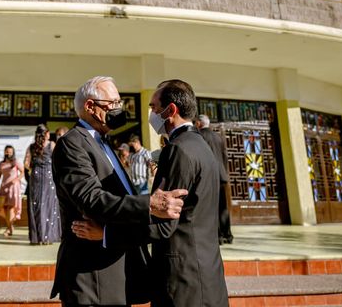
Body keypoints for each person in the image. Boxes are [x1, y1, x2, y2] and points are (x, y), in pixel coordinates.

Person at [74, 79, 228, 306]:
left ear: (171, 110)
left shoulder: (178, 150)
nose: (152, 113)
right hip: (207, 270)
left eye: (155, 107)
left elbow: (163, 222)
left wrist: (106, 234)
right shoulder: (200, 145)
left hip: (183, 278)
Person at [52, 76, 187, 306]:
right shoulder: (72, 144)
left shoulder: (103, 142)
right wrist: (149, 204)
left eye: (119, 102)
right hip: (91, 277)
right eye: (112, 104)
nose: (118, 109)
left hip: (116, 274)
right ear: (90, 107)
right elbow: (91, 199)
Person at [195, 114, 233, 244]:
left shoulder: (199, 137)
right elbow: (224, 157)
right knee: (223, 207)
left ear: (199, 123)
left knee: (212, 207)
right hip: (221, 175)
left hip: (210, 177)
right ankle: (228, 235)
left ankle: (218, 236)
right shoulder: (218, 137)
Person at [25, 124, 61, 244]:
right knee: (49, 206)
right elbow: (58, 161)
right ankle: (47, 237)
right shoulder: (51, 145)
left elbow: (26, 164)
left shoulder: (31, 147)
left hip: (35, 178)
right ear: (46, 134)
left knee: (36, 206)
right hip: (48, 178)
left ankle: (37, 238)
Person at [0, 144, 24, 237]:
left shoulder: (15, 162)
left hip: (13, 187)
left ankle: (8, 228)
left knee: (10, 208)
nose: (8, 153)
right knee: (4, 208)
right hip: (4, 187)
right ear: (4, 152)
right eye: (7, 151)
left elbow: (22, 172)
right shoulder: (1, 163)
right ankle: (10, 227)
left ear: (13, 153)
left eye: (10, 152)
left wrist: (17, 179)